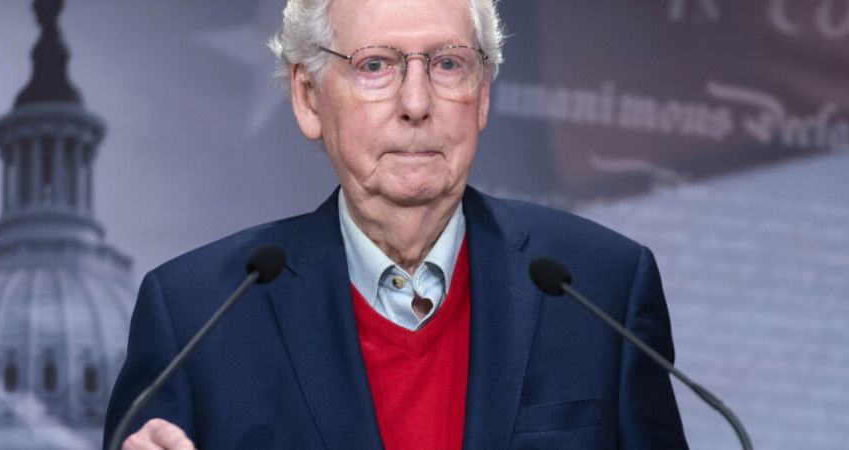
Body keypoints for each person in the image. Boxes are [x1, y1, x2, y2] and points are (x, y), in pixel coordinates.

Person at [104, 0, 689, 448]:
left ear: (483, 95)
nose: (416, 102)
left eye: (448, 64)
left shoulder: (599, 288)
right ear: (308, 97)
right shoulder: (197, 316)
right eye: (376, 65)